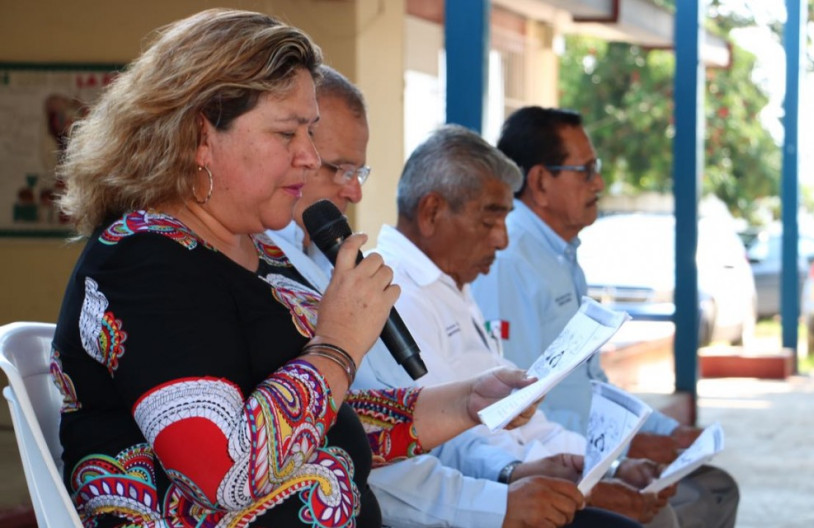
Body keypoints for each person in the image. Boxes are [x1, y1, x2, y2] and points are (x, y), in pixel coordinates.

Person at [50, 10, 538, 528]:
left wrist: (469, 401)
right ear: (200, 137)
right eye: (288, 133)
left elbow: (319, 420)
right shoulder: (143, 261)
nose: (308, 156)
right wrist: (338, 344)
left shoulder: (261, 251)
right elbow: (222, 473)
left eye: (310, 131)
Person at [267, 67, 641, 528]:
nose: (356, 189)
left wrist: (481, 423)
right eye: (338, 168)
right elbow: (350, 446)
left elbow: (387, 421)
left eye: (358, 170)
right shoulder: (300, 276)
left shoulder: (340, 267)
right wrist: (500, 496)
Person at [372, 124, 680, 527]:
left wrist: (604, 465)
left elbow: (522, 419)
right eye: (489, 221)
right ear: (432, 212)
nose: (502, 240)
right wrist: (515, 479)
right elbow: (440, 445)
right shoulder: (396, 295)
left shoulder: (450, 285)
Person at [471, 106, 741, 527]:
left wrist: (667, 432)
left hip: (590, 452)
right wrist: (628, 451)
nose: (599, 183)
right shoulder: (509, 261)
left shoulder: (561, 254)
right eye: (586, 170)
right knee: (676, 510)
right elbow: (515, 411)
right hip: (551, 464)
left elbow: (592, 382)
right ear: (541, 181)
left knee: (715, 488)